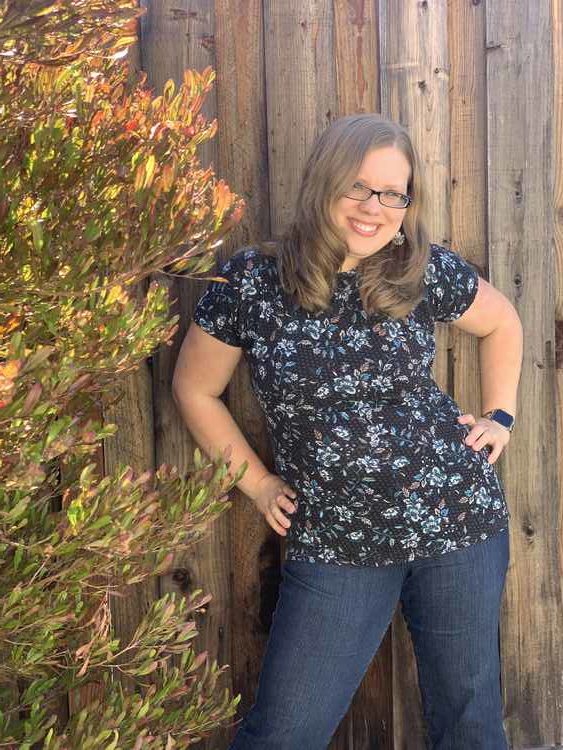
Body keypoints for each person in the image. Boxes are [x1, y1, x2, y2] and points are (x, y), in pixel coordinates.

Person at [172, 113, 523, 749]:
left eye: (393, 192)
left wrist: (499, 415)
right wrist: (255, 483)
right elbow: (195, 389)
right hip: (336, 541)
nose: (375, 207)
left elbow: (502, 323)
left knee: (470, 725)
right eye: (358, 187)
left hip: (456, 523)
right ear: (323, 182)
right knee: (281, 735)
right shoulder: (252, 280)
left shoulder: (418, 268)